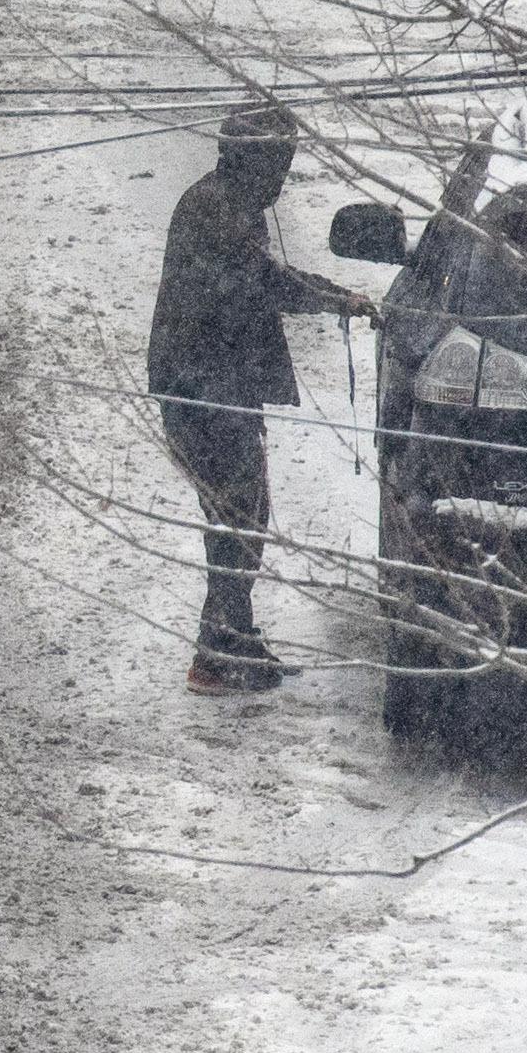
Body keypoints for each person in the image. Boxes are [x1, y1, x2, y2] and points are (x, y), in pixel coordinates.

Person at [144, 98, 377, 692]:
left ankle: (235, 645)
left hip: (208, 385)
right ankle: (215, 657)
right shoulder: (221, 212)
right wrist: (335, 297)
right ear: (255, 160)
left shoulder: (223, 202)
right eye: (280, 164)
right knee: (237, 521)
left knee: (239, 519)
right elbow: (261, 284)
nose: (283, 178)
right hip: (206, 391)